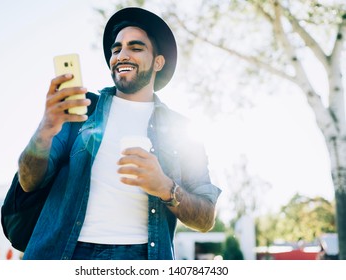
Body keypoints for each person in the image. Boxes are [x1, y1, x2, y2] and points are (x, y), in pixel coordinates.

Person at [18, 7, 221, 260]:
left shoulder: (182, 130)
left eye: (135, 48)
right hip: (63, 253)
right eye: (116, 49)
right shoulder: (79, 110)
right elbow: (28, 181)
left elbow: (206, 217)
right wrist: (44, 130)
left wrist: (166, 188)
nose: (121, 55)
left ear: (158, 62)